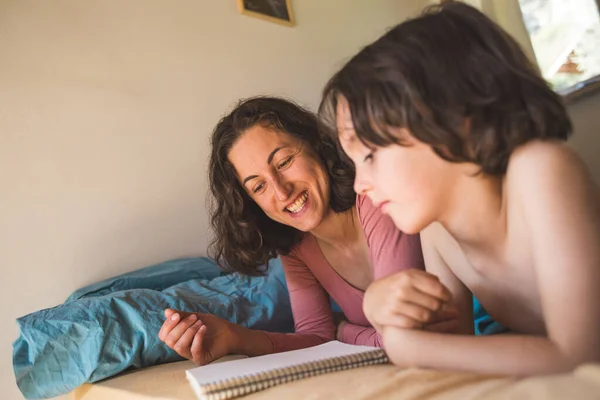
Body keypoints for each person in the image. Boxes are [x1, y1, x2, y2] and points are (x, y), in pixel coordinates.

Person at [320, 1, 600, 376]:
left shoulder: (540, 169)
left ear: (456, 119)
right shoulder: (437, 230)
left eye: (370, 155)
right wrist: (380, 308)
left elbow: (582, 357)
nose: (358, 185)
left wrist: (408, 346)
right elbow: (457, 343)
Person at [157, 97, 453, 365]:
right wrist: (237, 338)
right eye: (259, 186)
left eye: (284, 162)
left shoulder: (375, 200)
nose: (282, 191)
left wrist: (345, 331)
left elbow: (408, 340)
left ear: (316, 145)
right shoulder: (297, 247)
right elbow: (317, 339)